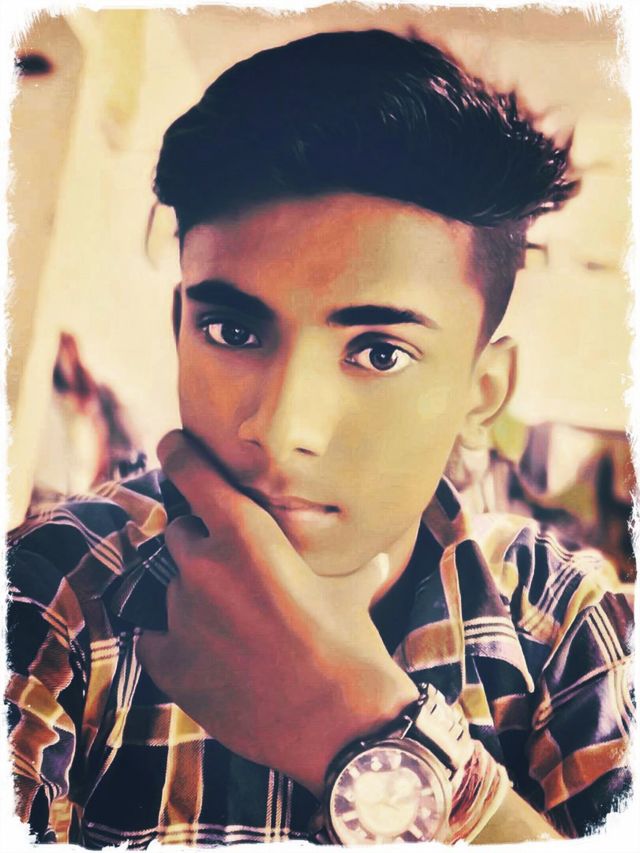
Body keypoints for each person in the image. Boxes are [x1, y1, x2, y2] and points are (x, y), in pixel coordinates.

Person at [6, 29, 633, 848]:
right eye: (232, 330)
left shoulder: (561, 623)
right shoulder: (55, 590)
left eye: (379, 352)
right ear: (179, 328)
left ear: (481, 394)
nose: (280, 428)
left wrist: (361, 730)